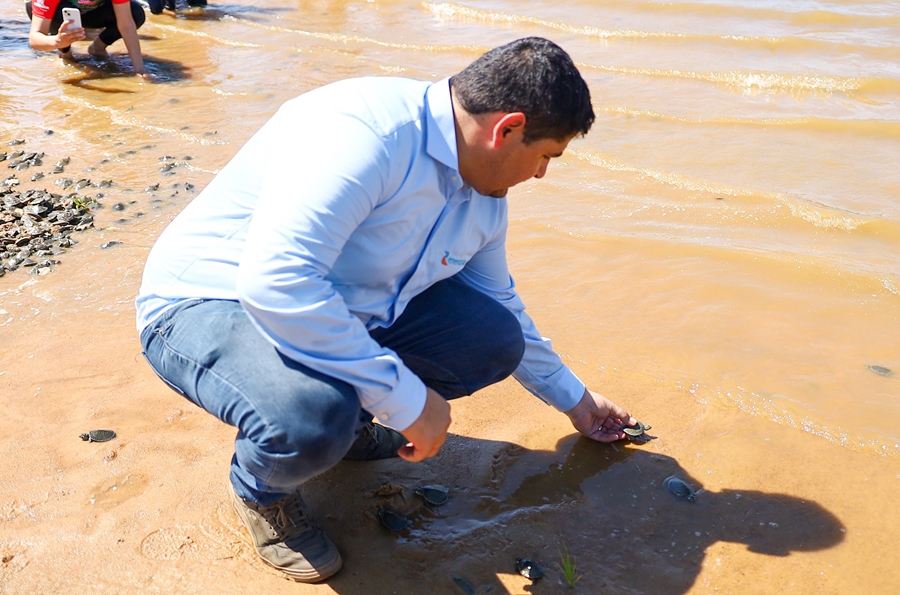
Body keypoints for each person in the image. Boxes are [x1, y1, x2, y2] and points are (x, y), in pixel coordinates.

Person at [136, 36, 636, 583]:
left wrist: (577, 402)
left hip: (335, 309)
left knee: (493, 337)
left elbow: (502, 307)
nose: (541, 174)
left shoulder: (484, 200)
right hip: (208, 300)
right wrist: (401, 396)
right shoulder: (365, 133)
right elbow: (276, 282)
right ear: (507, 128)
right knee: (311, 417)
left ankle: (347, 425)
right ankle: (263, 489)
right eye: (546, 156)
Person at [26, 0, 150, 79]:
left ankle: (98, 47)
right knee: (39, 9)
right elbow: (35, 38)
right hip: (62, 14)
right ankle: (65, 53)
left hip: (96, 14)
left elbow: (127, 25)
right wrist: (57, 41)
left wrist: (139, 70)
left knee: (136, 13)